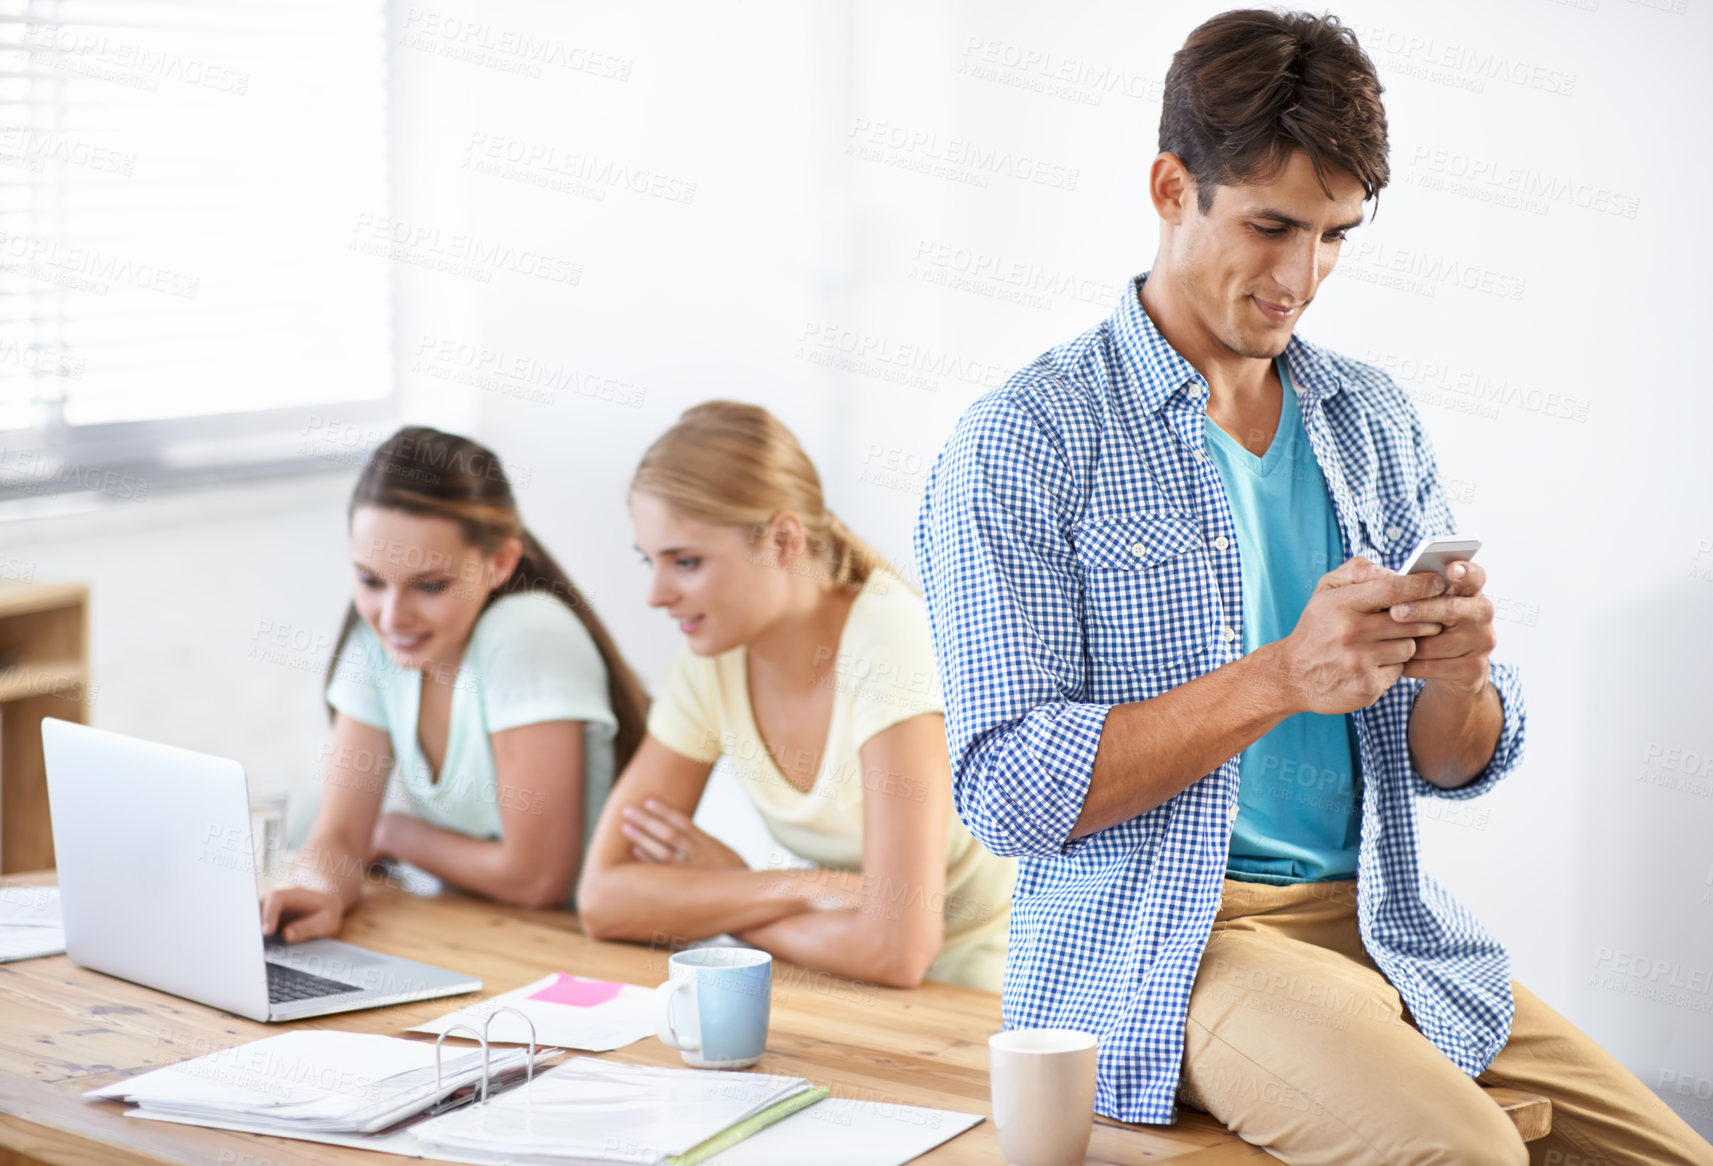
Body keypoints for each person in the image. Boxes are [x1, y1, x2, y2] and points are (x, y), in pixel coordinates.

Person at [914, 10, 1713, 1164]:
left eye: (1335, 235)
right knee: (1474, 1155)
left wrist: (1460, 676)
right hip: (1176, 943)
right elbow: (1008, 792)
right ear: (1170, 185)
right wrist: (1285, 672)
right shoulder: (1025, 440)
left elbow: (1451, 762)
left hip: (1389, 925)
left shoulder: (1369, 417)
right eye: (1272, 225)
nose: (1300, 277)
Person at [577, 401, 1014, 991]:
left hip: (976, 1001)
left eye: (685, 562)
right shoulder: (710, 661)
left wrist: (730, 902)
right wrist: (793, 887)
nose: (656, 595)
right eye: (649, 561)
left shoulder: (890, 643)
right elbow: (604, 899)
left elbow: (897, 950)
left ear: (783, 540)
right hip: (836, 975)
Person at [261, 426, 648, 941]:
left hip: (583, 951)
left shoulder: (526, 635)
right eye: (371, 580)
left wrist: (396, 833)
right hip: (481, 937)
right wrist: (317, 890)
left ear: (500, 563)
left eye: (429, 585)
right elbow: (339, 835)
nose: (393, 616)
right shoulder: (375, 639)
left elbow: (536, 878)